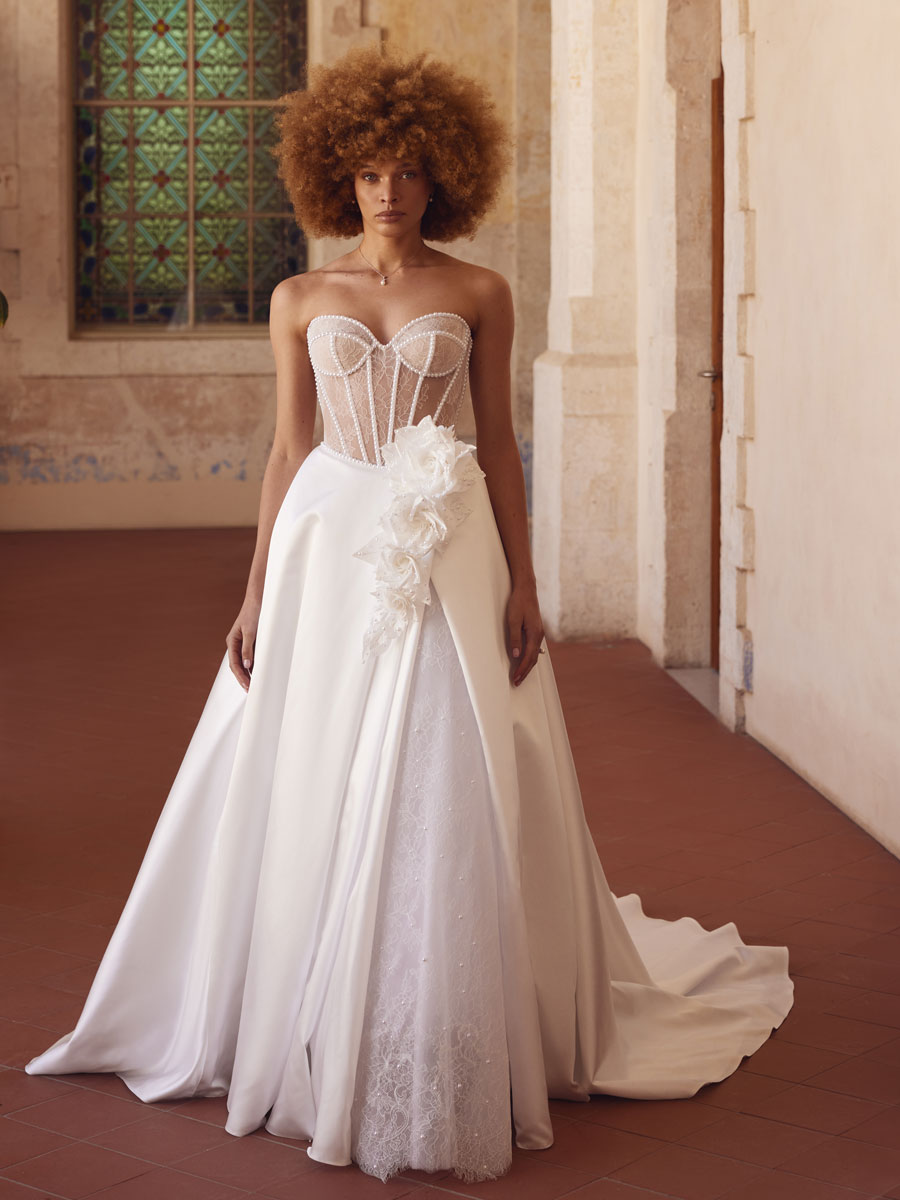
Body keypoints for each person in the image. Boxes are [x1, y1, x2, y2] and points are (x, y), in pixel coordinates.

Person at [25, 46, 793, 1184]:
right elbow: (289, 448)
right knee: (320, 761)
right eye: (371, 171)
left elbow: (496, 445)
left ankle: (439, 1015)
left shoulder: (479, 291)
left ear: (444, 178)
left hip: (452, 544)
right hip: (330, 543)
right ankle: (319, 1000)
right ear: (340, 176)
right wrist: (254, 593)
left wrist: (528, 582)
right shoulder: (300, 298)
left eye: (410, 171)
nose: (390, 190)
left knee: (442, 758)